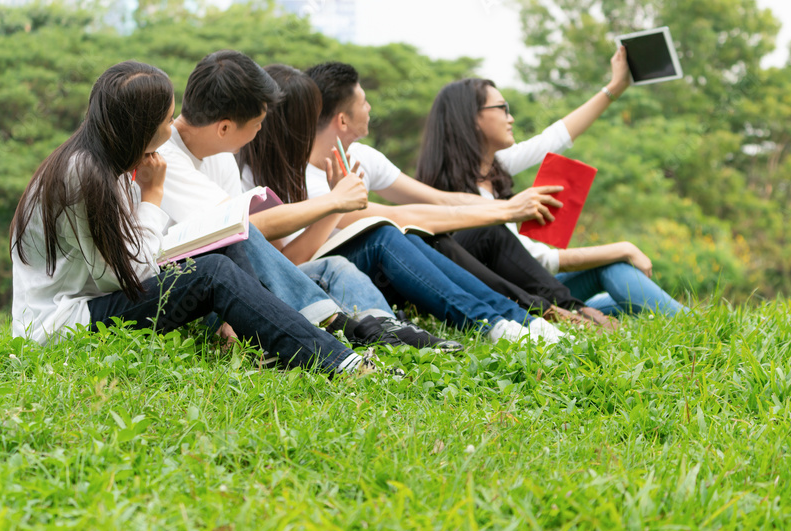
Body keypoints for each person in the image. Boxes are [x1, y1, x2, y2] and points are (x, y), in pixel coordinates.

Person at [10, 61, 372, 376]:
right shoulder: (83, 177)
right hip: (62, 326)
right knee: (212, 273)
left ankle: (263, 340)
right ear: (141, 127)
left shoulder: (103, 163)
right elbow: (127, 277)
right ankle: (336, 361)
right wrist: (153, 197)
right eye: (168, 120)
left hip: (91, 302)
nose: (172, 129)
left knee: (226, 239)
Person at [238, 64, 565, 344]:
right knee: (387, 236)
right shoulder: (261, 175)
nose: (314, 125)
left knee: (412, 234)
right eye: (308, 116)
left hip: (341, 266)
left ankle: (518, 319)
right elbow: (283, 267)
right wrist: (335, 204)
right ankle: (497, 323)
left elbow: (428, 203)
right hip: (317, 278)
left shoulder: (333, 163)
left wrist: (501, 209)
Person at [155, 50, 444, 350]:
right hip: (197, 288)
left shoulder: (222, 157)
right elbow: (241, 229)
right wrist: (334, 201)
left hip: (238, 277)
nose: (259, 131)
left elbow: (246, 246)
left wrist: (335, 201)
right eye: (257, 123)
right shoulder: (166, 159)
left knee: (335, 267)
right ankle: (339, 326)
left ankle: (383, 326)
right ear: (225, 127)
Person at [302, 61, 615, 330]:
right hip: (371, 274)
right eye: (364, 102)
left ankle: (560, 309)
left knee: (474, 231)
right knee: (422, 236)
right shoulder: (309, 180)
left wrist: (507, 207)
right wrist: (506, 210)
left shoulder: (362, 156)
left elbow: (436, 199)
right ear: (342, 119)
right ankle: (533, 315)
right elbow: (402, 217)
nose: (370, 108)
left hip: (418, 262)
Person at [415, 49, 686, 317]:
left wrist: (615, 87)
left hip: (540, 290)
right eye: (502, 108)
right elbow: (539, 262)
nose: (511, 118)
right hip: (516, 301)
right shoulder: (443, 197)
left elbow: (554, 137)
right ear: (472, 118)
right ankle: (689, 322)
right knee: (614, 265)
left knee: (619, 281)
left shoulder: (494, 169)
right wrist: (621, 248)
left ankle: (687, 320)